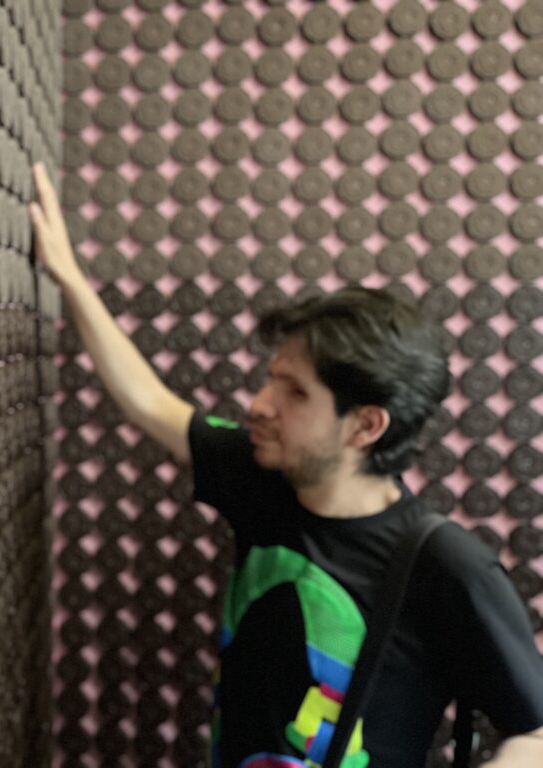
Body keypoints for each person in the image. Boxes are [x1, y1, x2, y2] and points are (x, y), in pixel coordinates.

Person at [28, 163, 543, 767]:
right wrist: (67, 276)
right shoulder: (261, 477)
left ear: (365, 425)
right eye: (271, 380)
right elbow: (150, 403)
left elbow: (534, 732)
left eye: (294, 393)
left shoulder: (445, 564)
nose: (259, 404)